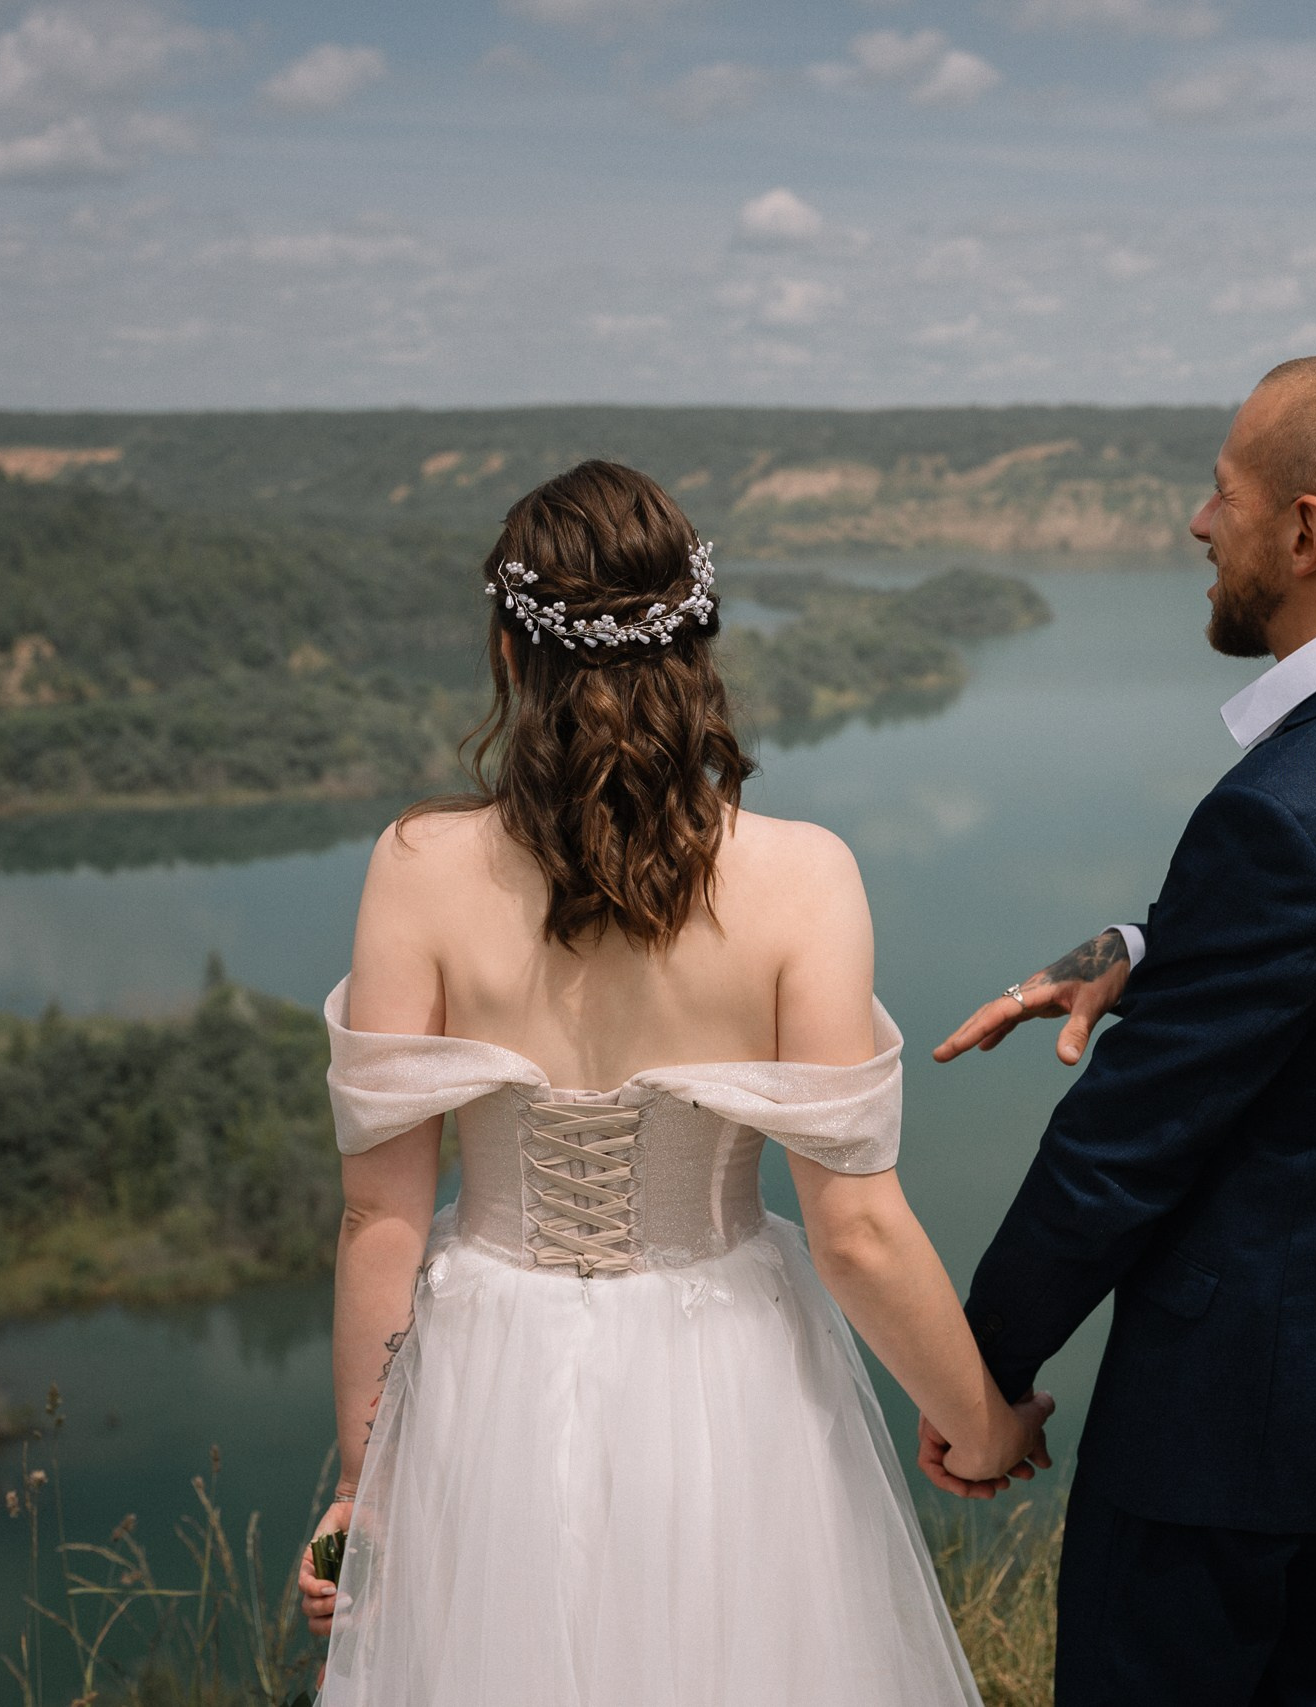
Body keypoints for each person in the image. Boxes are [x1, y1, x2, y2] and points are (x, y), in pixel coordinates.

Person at [294, 460, 1051, 1706]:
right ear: (700, 641)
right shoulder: (804, 878)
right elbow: (854, 1232)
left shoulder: (414, 866)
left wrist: (361, 1489)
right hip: (730, 1372)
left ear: (507, 652)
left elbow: (379, 1213)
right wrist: (978, 1425)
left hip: (485, 1381)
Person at [929, 353, 1316, 1706]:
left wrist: (981, 1374)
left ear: (1307, 529)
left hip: (1217, 1451)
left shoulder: (1284, 809)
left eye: (1223, 491)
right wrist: (1134, 951)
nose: (1198, 525)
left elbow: (1116, 1155)